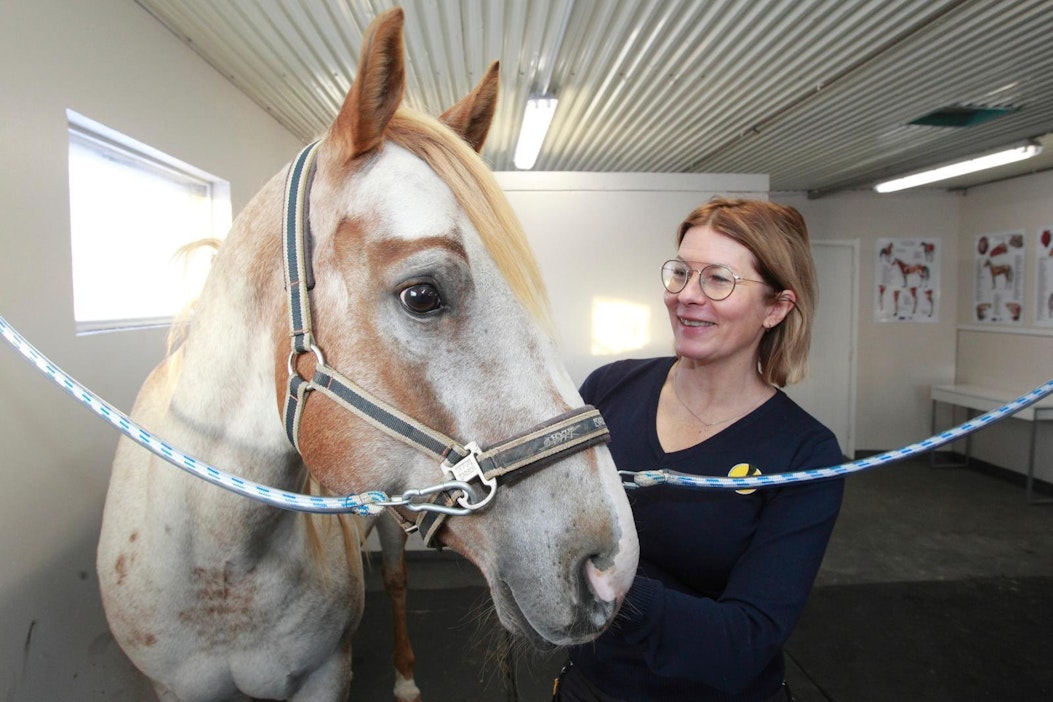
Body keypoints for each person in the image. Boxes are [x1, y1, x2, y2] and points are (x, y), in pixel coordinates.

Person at [555, 197, 845, 702]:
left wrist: (613, 586)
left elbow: (745, 640)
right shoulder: (608, 388)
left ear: (776, 307)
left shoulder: (804, 453)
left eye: (718, 279)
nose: (686, 296)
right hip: (590, 685)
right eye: (681, 273)